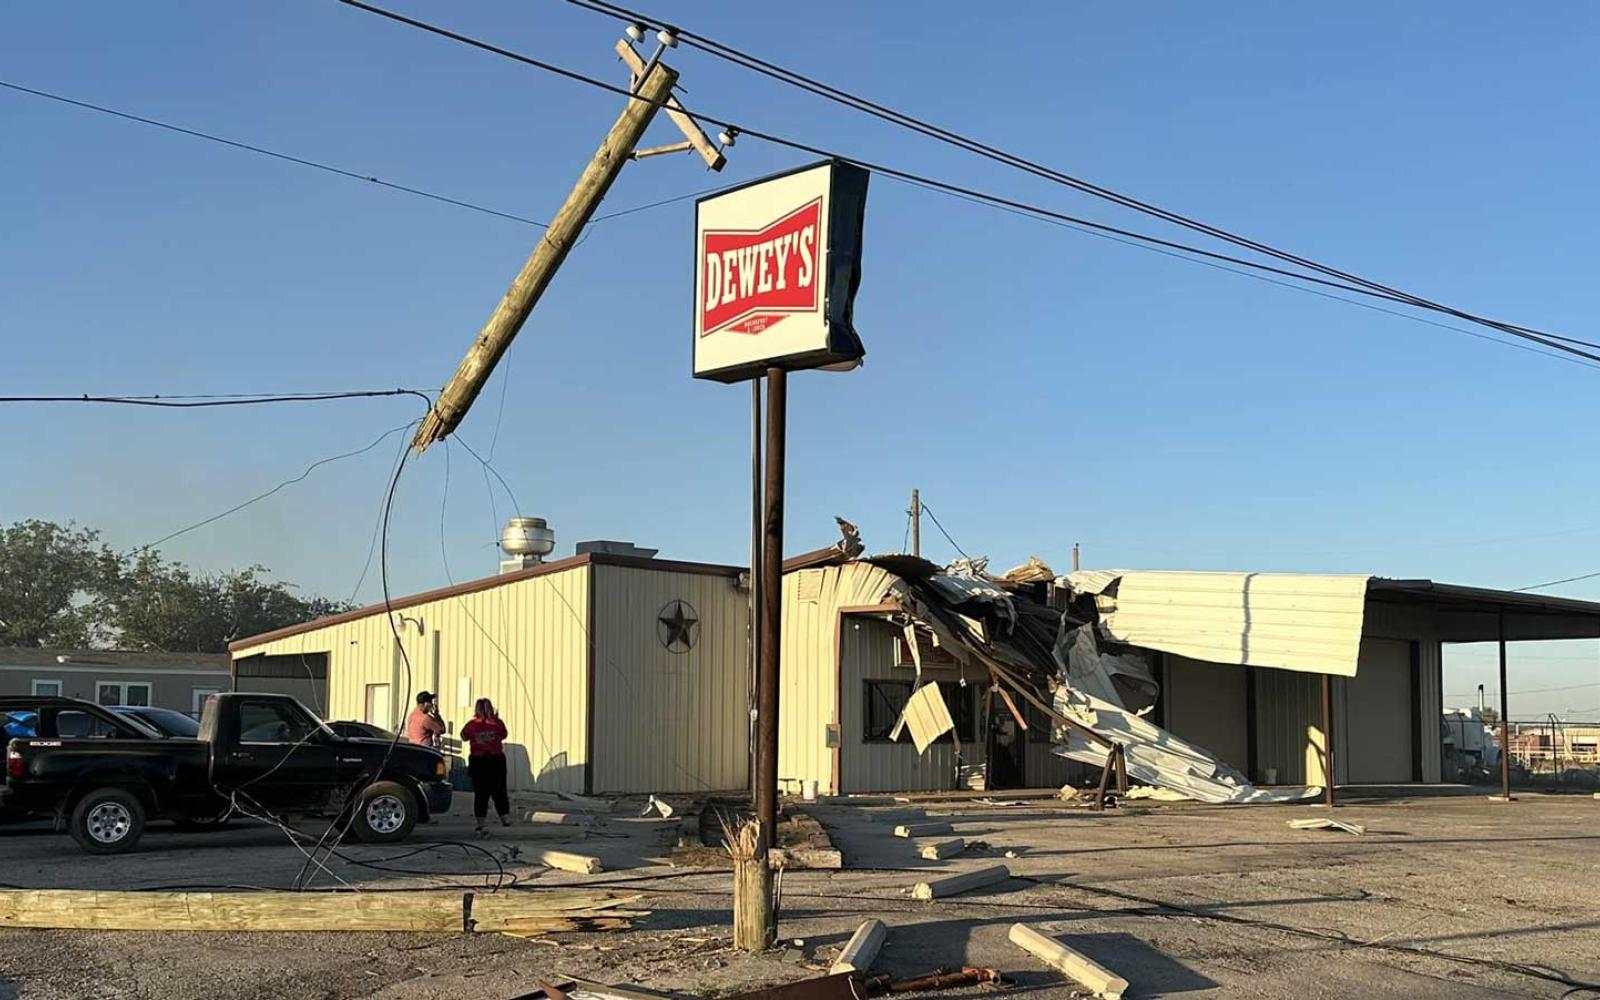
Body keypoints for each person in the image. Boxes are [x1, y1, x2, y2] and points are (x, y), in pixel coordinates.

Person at [460, 697, 511, 834]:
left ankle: (481, 822)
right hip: (496, 759)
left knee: (480, 792)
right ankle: (505, 818)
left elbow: (464, 736)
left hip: (478, 760)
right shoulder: (497, 723)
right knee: (500, 790)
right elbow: (504, 735)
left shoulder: (472, 724)